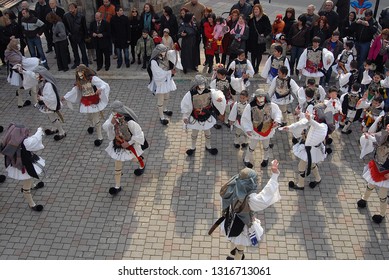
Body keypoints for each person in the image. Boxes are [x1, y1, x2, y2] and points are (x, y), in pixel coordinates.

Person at [210, 160, 281, 260]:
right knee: (240, 247)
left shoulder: (230, 187)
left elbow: (223, 201)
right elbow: (265, 196)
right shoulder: (250, 199)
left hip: (229, 220)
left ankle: (231, 255)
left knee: (233, 239)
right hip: (243, 226)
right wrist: (274, 175)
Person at [102, 101, 147, 195]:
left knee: (135, 158)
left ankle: (141, 163)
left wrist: (129, 143)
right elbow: (106, 126)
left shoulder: (130, 122)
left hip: (130, 145)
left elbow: (139, 134)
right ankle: (117, 186)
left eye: (115, 112)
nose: (113, 114)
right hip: (118, 144)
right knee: (117, 163)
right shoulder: (113, 117)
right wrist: (111, 124)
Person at [0, 124, 46, 211]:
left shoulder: (9, 140)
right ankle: (32, 204)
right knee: (27, 181)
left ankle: (33, 186)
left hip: (16, 163)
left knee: (30, 177)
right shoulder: (25, 142)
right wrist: (39, 130)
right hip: (25, 165)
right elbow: (35, 139)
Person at [63, 64, 110, 146]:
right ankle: (91, 125)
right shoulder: (79, 82)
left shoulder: (92, 79)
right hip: (85, 101)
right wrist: (65, 97)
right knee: (89, 116)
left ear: (85, 72)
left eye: (81, 74)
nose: (80, 76)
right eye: (79, 74)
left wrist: (100, 89)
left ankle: (100, 137)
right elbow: (74, 91)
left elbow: (104, 84)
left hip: (93, 100)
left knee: (96, 119)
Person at [282, 110, 328, 190]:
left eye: (315, 114)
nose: (314, 114)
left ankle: (300, 184)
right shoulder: (316, 122)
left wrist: (310, 119)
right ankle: (318, 178)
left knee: (301, 166)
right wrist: (289, 127)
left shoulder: (322, 126)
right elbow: (301, 123)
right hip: (310, 148)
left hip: (312, 149)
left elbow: (314, 124)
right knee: (312, 164)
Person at [181, 75, 225, 156]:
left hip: (206, 115)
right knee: (194, 133)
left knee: (208, 133)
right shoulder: (190, 93)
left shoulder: (209, 91)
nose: (202, 87)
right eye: (200, 85)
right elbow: (186, 105)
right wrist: (185, 116)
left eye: (203, 85)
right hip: (195, 116)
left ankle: (208, 146)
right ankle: (192, 147)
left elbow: (217, 93)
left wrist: (220, 98)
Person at [241, 89, 282, 168]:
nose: (260, 98)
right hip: (255, 131)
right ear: (256, 97)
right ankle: (246, 159)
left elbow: (277, 113)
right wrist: (248, 129)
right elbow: (245, 118)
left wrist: (276, 121)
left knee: (266, 146)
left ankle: (266, 158)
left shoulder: (271, 105)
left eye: (262, 96)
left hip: (267, 130)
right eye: (259, 96)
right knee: (251, 147)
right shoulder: (250, 106)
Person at [357, 123, 389, 224]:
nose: (388, 127)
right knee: (370, 185)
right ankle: (364, 199)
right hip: (377, 165)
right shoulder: (384, 134)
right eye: (388, 126)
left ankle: (382, 214)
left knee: (382, 195)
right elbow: (375, 140)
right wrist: (369, 137)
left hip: (386, 173)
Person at [147, 44, 182, 125]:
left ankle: (165, 109)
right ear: (158, 52)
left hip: (167, 80)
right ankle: (162, 117)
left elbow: (173, 53)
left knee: (167, 97)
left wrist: (175, 49)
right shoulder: (153, 61)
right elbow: (158, 73)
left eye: (164, 51)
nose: (164, 53)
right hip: (160, 83)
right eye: (163, 51)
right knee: (160, 99)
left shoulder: (165, 56)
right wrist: (170, 72)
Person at [4, 38, 39, 108]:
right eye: (17, 44)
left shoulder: (11, 52)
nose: (19, 45)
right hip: (21, 72)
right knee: (33, 84)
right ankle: (36, 102)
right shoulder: (12, 55)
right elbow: (19, 61)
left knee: (22, 86)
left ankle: (20, 102)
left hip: (19, 73)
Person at [247, 4, 271, 75]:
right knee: (253, 54)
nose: (255, 11)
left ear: (260, 10)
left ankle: (257, 66)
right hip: (252, 39)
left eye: (257, 9)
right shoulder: (251, 18)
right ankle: (253, 66)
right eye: (254, 9)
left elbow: (269, 28)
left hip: (260, 40)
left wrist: (264, 34)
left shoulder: (264, 18)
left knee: (259, 54)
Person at [63, 2, 89, 69]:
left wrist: (86, 36)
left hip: (80, 36)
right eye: (69, 8)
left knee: (83, 50)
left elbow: (84, 27)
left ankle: (85, 62)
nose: (71, 10)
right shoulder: (66, 16)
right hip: (72, 36)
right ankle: (77, 62)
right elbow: (65, 26)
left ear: (76, 8)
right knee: (74, 51)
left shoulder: (81, 16)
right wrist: (68, 33)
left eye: (72, 8)